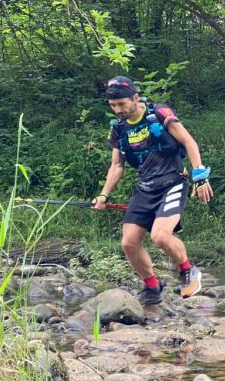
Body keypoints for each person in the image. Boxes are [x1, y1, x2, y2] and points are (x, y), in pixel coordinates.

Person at [92, 76, 214, 306]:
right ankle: (152, 287)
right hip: (145, 188)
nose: (118, 109)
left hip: (173, 183)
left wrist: (199, 176)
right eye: (113, 106)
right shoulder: (118, 129)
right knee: (128, 243)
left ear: (135, 97)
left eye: (122, 104)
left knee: (160, 235)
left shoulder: (159, 114)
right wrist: (103, 195)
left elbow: (189, 142)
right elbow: (117, 166)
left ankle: (189, 271)